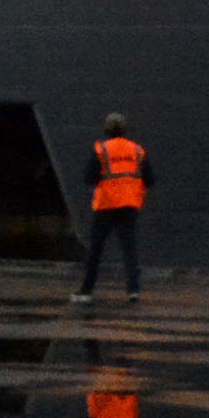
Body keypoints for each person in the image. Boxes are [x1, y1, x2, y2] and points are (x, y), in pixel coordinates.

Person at [74, 114, 146, 302]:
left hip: (106, 205)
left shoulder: (101, 150)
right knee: (129, 249)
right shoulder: (137, 150)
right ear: (124, 129)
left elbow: (89, 177)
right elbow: (150, 178)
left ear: (107, 129)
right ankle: (133, 290)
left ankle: (86, 291)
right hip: (129, 204)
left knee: (96, 249)